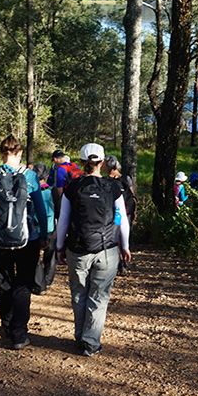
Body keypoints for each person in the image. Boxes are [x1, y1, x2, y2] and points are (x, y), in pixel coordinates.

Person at [0, 136, 48, 350]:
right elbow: (41, 210)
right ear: (20, 152)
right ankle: (19, 334)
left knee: (5, 283)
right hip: (28, 239)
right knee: (23, 284)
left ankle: (6, 325)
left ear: (2, 153)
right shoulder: (30, 176)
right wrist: (43, 236)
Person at [57, 143, 131, 357]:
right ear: (102, 162)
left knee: (79, 293)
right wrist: (123, 245)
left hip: (78, 249)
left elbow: (63, 221)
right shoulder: (113, 187)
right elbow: (122, 219)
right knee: (99, 296)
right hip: (107, 249)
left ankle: (80, 336)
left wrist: (60, 246)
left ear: (81, 162)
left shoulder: (73, 187)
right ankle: (91, 342)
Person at [103, 155, 137, 274]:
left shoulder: (106, 181)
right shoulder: (126, 178)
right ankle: (123, 264)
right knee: (123, 236)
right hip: (127, 212)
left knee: (115, 237)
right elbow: (132, 196)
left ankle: (118, 263)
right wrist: (134, 212)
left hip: (113, 213)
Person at [32, 162, 56, 295]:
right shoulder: (52, 191)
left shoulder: (31, 190)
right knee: (50, 254)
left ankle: (39, 284)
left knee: (35, 257)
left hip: (35, 227)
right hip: (51, 226)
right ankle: (48, 279)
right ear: (47, 176)